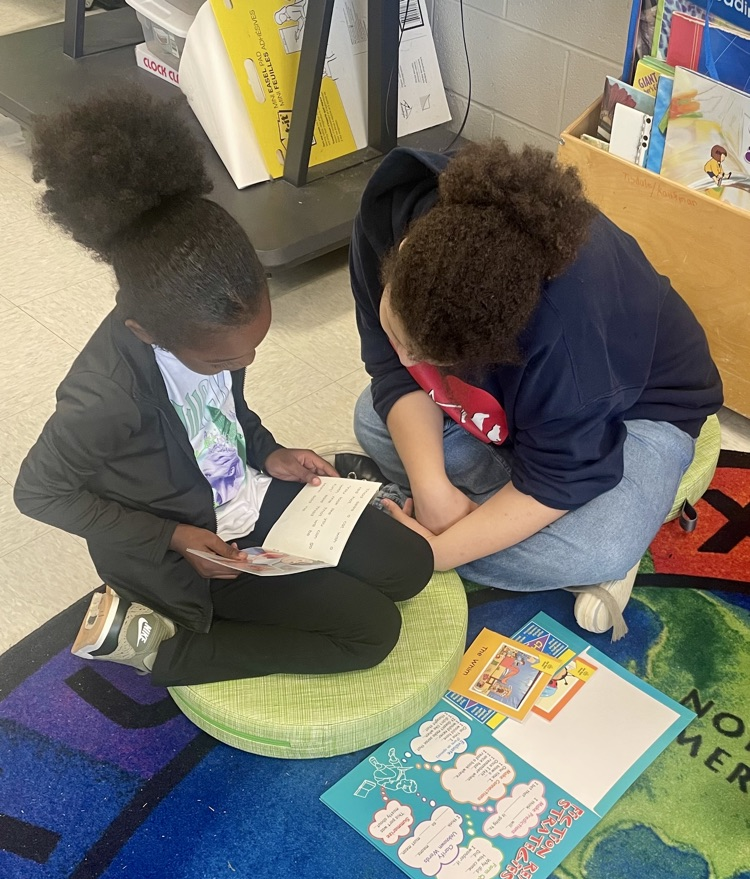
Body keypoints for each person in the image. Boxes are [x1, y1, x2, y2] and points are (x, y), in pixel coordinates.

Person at [14, 91, 433, 686]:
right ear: (146, 333)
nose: (243, 361)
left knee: (411, 566)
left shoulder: (216, 326)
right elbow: (38, 493)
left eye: (253, 348)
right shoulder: (103, 398)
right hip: (186, 551)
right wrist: (174, 536)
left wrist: (267, 450)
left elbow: (225, 414)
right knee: (371, 632)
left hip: (246, 499)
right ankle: (169, 652)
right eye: (225, 359)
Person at [350, 141, 722, 638]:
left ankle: (464, 526)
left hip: (638, 412)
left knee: (604, 544)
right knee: (372, 419)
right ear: (400, 257)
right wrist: (431, 487)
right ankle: (478, 515)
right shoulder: (392, 220)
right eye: (398, 333)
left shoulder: (565, 336)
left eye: (426, 357)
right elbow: (391, 370)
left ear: (495, 345)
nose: (405, 359)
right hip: (534, 410)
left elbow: (560, 478)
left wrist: (433, 555)